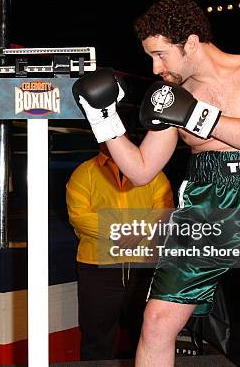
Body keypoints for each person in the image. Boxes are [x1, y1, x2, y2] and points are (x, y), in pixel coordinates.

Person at [72, 0, 240, 367]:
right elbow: (141, 170)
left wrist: (194, 114)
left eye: (160, 55)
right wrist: (104, 120)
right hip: (206, 203)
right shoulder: (172, 97)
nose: (155, 67)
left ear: (190, 43)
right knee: (157, 322)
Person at [66, 142, 174, 360]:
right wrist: (119, 231)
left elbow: (165, 208)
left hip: (143, 266)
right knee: (96, 336)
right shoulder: (83, 173)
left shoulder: (153, 173)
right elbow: (78, 216)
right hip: (98, 267)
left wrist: (139, 231)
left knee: (147, 332)